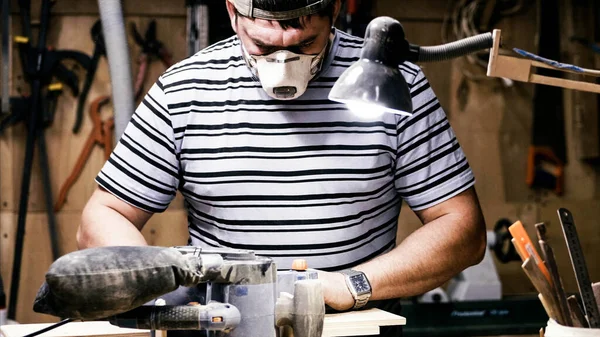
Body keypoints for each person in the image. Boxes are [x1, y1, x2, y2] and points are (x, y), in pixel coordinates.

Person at [77, 0, 486, 335]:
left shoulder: (391, 85)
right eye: (263, 46)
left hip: (354, 327)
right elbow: (103, 214)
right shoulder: (185, 90)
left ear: (337, 11)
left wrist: (352, 285)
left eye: (306, 42)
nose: (284, 61)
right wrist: (156, 280)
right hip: (225, 328)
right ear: (233, 13)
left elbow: (462, 230)